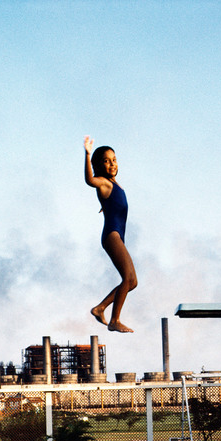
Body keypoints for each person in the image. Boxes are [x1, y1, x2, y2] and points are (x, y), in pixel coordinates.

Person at [84, 136, 137, 333]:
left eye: (114, 159)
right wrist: (88, 154)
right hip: (112, 235)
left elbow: (113, 205)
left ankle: (100, 308)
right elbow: (90, 180)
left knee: (133, 282)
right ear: (99, 165)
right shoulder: (104, 184)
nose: (112, 164)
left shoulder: (117, 186)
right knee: (127, 278)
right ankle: (114, 320)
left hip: (117, 236)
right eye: (106, 161)